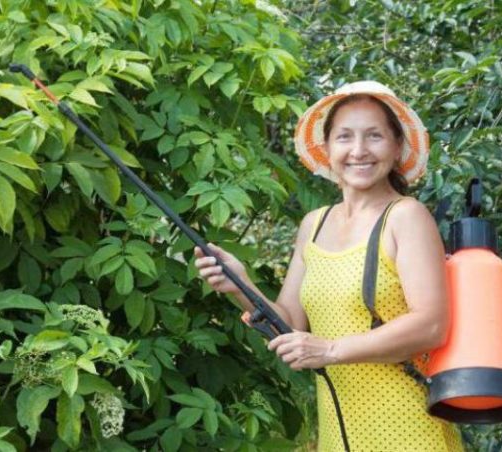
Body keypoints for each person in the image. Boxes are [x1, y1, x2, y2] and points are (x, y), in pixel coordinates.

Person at [194, 81, 464, 451]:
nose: (358, 151)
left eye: (374, 136)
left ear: (397, 146)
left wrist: (330, 350)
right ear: (326, 148)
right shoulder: (314, 224)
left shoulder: (406, 216)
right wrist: (240, 285)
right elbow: (290, 324)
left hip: (410, 429)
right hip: (342, 432)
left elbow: (431, 325)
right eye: (344, 137)